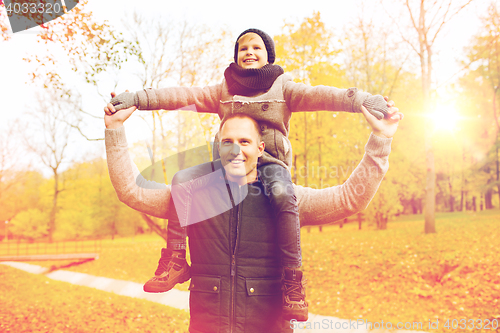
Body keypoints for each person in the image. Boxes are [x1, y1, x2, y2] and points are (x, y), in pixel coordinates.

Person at [105, 28, 392, 321]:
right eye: (243, 48)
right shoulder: (197, 192)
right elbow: (180, 96)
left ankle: (293, 280)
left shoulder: (284, 90)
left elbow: (324, 99)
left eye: (257, 47)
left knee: (283, 193)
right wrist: (133, 104)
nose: (249, 52)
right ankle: (176, 260)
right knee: (182, 179)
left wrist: (364, 106)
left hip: (274, 171)